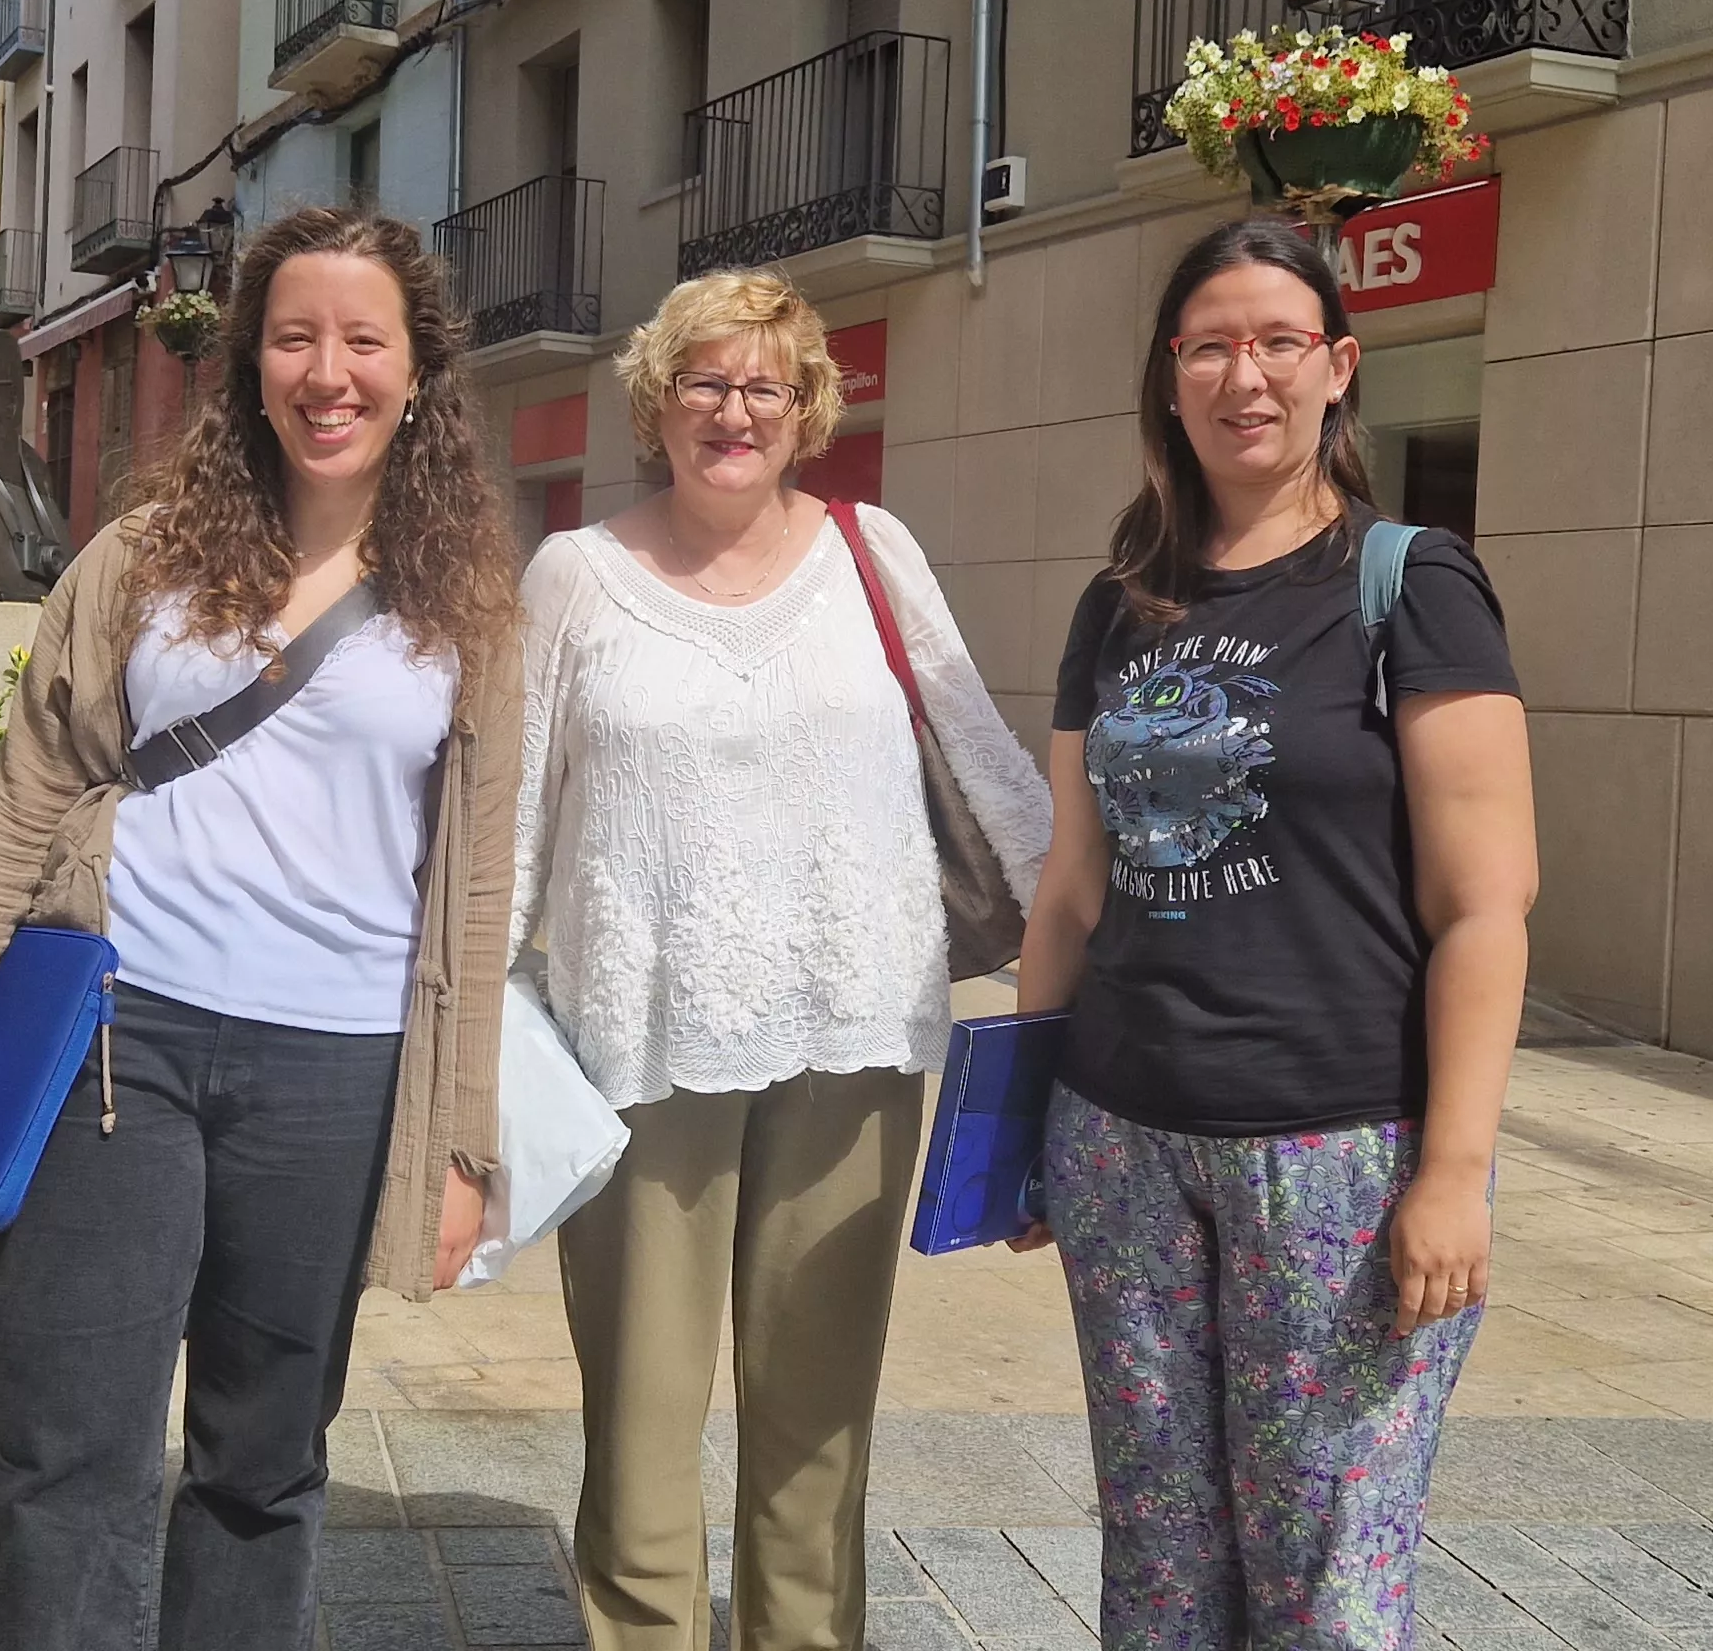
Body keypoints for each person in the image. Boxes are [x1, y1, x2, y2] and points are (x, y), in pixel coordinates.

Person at [0, 207, 522, 1650]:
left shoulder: (468, 602)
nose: (324, 372)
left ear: (416, 371)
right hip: (114, 1048)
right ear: (250, 363)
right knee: (58, 1450)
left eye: (361, 340)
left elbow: (477, 885)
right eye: (293, 337)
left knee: (263, 1465)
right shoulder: (139, 562)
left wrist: (463, 1145)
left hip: (337, 1074)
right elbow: (12, 824)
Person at [1015, 216, 1537, 1649]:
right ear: (1170, 379)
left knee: (1327, 1581)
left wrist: (1456, 1173)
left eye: (1278, 341)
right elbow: (1070, 887)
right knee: (1162, 1567)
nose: (1245, 375)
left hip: (1338, 1155)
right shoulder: (1117, 607)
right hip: (1120, 1141)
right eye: (1210, 346)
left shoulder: (1410, 582)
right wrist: (1016, 1133)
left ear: (1338, 367)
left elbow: (1486, 905)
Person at [517, 270, 1048, 1651]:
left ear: (809, 407)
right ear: (656, 402)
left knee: (817, 1436)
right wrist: (464, 1027)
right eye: (703, 380)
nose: (733, 411)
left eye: (766, 385)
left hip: (854, 1034)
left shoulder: (874, 551)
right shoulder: (575, 579)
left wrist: (1091, 958)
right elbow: (508, 812)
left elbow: (983, 759)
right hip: (637, 1047)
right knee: (639, 1436)